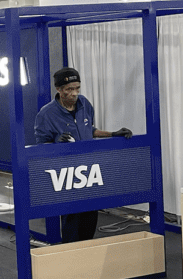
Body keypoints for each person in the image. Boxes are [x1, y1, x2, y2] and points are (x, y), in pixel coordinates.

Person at [34, 67, 133, 242]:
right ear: (58, 89)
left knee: (90, 215)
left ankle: (86, 255)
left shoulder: (84, 104)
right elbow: (41, 147)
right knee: (72, 218)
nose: (74, 93)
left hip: (89, 169)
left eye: (77, 88)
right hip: (66, 173)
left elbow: (90, 130)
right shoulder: (46, 114)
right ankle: (71, 258)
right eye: (69, 89)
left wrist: (111, 134)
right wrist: (57, 141)